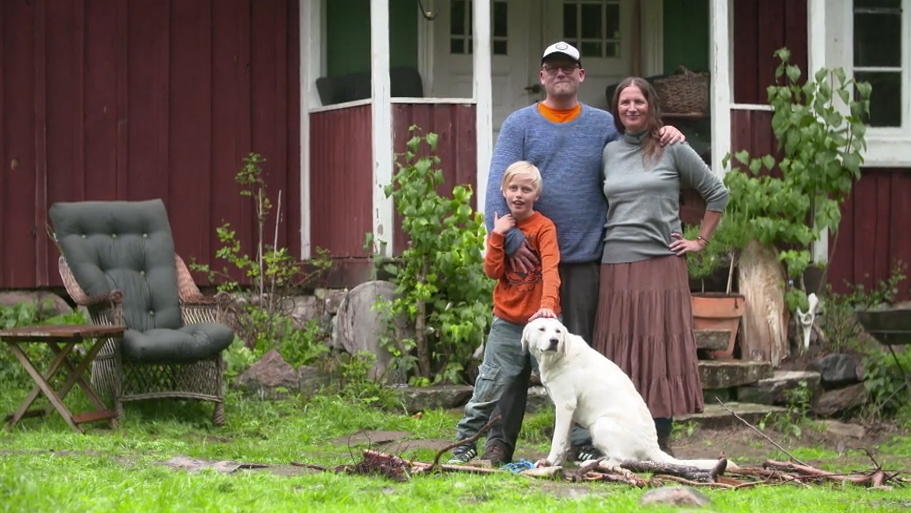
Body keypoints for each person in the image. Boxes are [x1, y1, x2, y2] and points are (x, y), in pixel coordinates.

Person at [479, 42, 685, 465]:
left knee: (580, 359)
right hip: (530, 268)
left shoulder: (600, 125)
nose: (560, 74)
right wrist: (514, 245)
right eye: (552, 68)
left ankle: (579, 447)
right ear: (542, 76)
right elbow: (495, 191)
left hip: (585, 263)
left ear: (580, 76)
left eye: (567, 68)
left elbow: (635, 145)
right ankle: (498, 445)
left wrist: (667, 134)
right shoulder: (520, 124)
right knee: (516, 363)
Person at [592, 76, 729, 454]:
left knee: (657, 351)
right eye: (624, 103)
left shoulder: (672, 147)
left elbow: (717, 192)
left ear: (651, 105)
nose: (631, 108)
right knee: (620, 353)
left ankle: (659, 438)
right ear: (616, 110)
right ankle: (621, 437)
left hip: (661, 264)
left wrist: (699, 240)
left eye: (638, 101)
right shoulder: (609, 152)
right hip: (616, 264)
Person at [447, 161, 560, 465]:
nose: (519, 195)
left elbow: (550, 268)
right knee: (488, 386)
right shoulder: (501, 227)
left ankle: (577, 446)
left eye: (526, 189)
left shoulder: (544, 227)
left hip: (542, 324)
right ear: (503, 191)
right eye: (513, 188)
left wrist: (547, 305)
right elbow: (492, 271)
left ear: (537, 194)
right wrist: (497, 236)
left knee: (563, 386)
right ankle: (463, 445)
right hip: (507, 323)